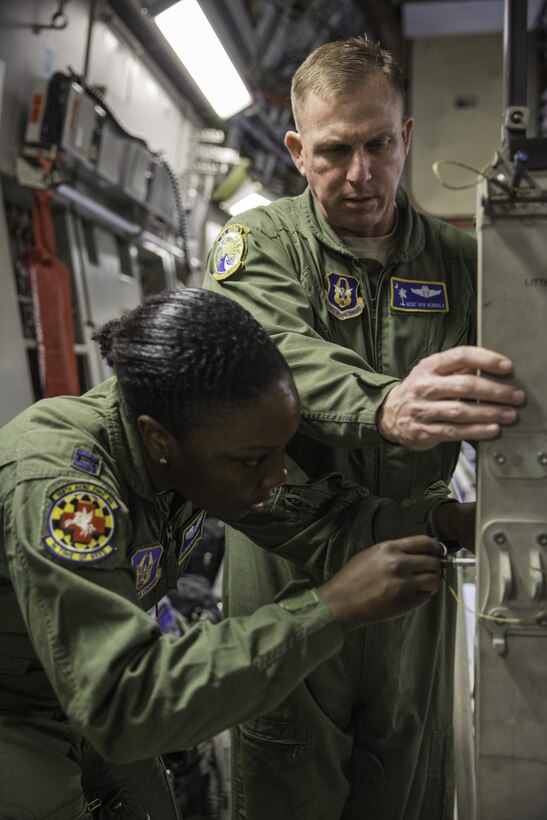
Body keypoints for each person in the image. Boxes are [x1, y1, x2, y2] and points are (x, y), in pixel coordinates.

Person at [203, 36, 525, 820]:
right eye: (333, 150)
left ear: (405, 136)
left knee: (406, 774)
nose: (360, 174)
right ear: (295, 151)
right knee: (286, 783)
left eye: (378, 145)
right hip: (290, 573)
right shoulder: (257, 247)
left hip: (412, 573)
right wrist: (384, 405)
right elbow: (279, 357)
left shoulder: (462, 265)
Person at [0, 286, 466, 820]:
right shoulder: (65, 489)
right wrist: (329, 610)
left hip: (79, 691)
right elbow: (123, 705)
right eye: (252, 461)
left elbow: (315, 520)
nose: (276, 477)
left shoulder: (192, 446)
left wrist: (445, 522)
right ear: (159, 440)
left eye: (279, 453)